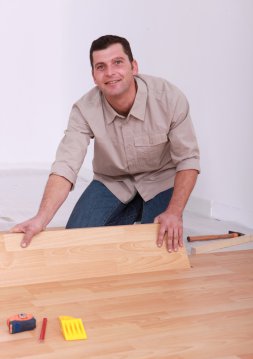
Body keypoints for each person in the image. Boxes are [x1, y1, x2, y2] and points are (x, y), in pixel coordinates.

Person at [11, 35, 200, 252]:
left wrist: (174, 212)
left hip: (160, 181)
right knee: (77, 241)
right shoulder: (84, 109)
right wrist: (41, 218)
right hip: (113, 182)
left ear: (133, 66)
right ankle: (132, 213)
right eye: (101, 67)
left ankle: (145, 213)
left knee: (156, 247)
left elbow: (188, 160)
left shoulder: (169, 98)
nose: (110, 72)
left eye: (117, 62)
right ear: (93, 76)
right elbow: (66, 165)